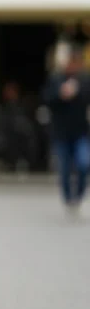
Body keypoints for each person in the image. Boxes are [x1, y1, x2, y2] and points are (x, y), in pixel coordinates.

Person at [42, 49, 90, 214]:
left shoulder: (85, 81)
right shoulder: (56, 79)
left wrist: (77, 92)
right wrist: (61, 94)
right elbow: (46, 99)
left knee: (84, 163)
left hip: (80, 132)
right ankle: (68, 198)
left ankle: (79, 195)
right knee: (64, 168)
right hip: (61, 132)